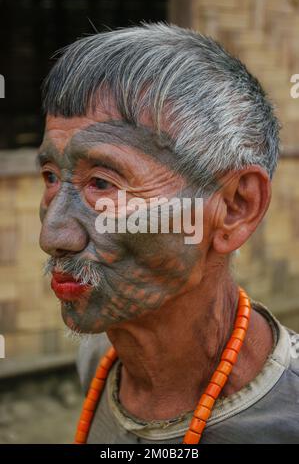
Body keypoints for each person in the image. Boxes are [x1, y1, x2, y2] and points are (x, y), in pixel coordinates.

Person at [38, 23, 299, 444]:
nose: (52, 235)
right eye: (51, 176)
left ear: (234, 207)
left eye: (103, 183)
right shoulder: (101, 359)